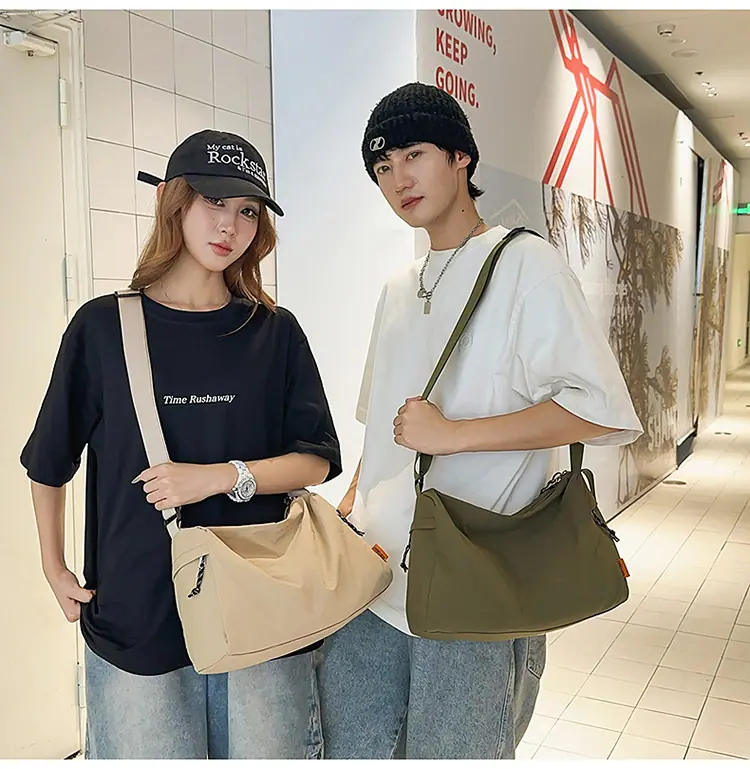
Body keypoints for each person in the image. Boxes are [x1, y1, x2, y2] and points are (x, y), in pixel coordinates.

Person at [316, 83, 643, 759]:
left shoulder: (525, 265)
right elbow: (383, 431)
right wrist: (345, 511)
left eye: (413, 154)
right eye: (382, 167)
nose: (398, 179)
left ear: (460, 156)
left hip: (476, 576)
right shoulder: (397, 290)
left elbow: (597, 407)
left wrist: (456, 436)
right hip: (374, 577)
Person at [21, 130, 341, 760]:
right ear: (172, 201)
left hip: (260, 606)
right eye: (214, 202)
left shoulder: (274, 332)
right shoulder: (103, 327)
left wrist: (220, 476)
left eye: (247, 211)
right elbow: (49, 459)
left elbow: (315, 460)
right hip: (139, 609)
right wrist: (52, 567)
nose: (230, 226)